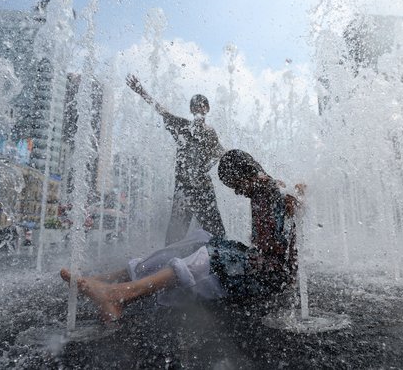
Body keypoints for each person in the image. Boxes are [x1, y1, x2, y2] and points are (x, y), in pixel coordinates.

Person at [59, 149, 300, 322]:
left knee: (211, 254)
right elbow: (297, 195)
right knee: (200, 237)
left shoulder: (267, 191)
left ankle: (121, 293)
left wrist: (296, 200)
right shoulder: (266, 188)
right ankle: (106, 279)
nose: (237, 192)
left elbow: (276, 251)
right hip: (263, 266)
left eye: (236, 184)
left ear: (246, 173)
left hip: (271, 279)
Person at [126, 75, 225, 245]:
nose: (197, 108)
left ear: (207, 108)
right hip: (184, 188)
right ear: (191, 110)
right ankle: (168, 264)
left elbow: (222, 154)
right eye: (194, 105)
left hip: (203, 188)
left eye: (201, 104)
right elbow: (162, 110)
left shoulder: (211, 133)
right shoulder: (183, 126)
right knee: (174, 235)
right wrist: (142, 91)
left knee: (217, 233)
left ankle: (215, 263)